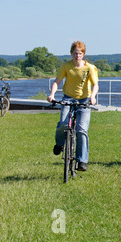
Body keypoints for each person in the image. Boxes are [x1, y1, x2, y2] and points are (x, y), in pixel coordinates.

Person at [47, 41, 99, 172]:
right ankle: (59, 144)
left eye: (80, 53)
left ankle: (82, 160)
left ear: (83, 54)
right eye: (75, 53)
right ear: (71, 53)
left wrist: (93, 97)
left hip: (84, 100)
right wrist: (52, 94)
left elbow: (95, 85)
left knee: (81, 130)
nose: (77, 56)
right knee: (63, 124)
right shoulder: (66, 66)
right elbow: (57, 81)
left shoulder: (90, 68)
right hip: (68, 98)